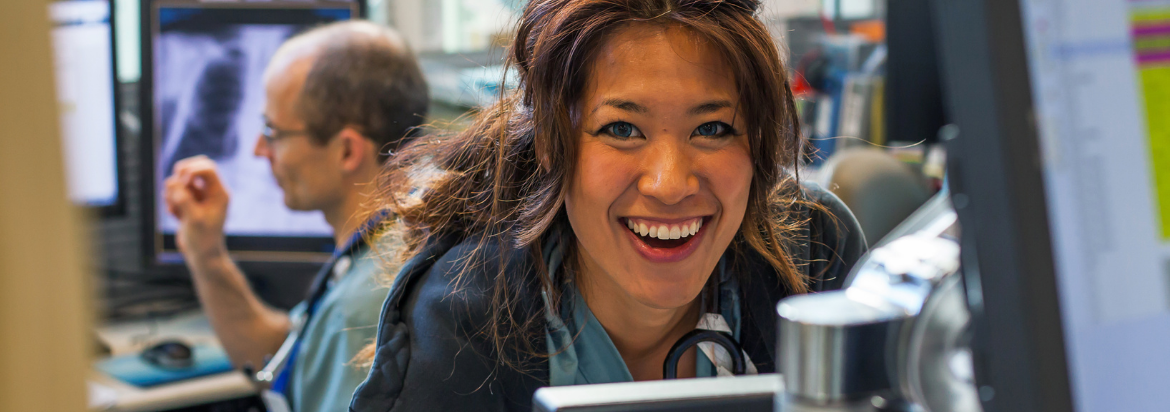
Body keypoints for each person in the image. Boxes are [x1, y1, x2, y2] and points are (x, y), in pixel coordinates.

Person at [350, 0, 866, 411]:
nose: (670, 184)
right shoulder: (465, 316)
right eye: (622, 129)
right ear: (553, 143)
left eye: (713, 129)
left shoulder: (814, 251)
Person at [162, 21, 427, 412]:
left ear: (347, 152)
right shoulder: (394, 237)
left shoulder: (364, 309)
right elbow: (286, 357)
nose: (257, 149)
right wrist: (207, 255)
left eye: (272, 131)